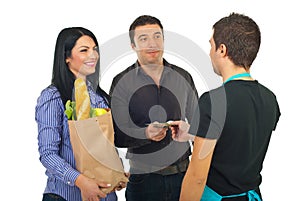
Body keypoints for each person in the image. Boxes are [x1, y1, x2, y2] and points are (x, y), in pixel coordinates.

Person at [170, 13, 281, 201]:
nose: (209, 52)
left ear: (222, 50)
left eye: (211, 44)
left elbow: (197, 178)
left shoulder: (213, 101)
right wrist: (192, 132)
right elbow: (239, 139)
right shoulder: (270, 99)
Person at [109, 15, 199, 201]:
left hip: (183, 176)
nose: (152, 43)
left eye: (157, 36)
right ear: (132, 45)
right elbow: (115, 134)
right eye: (143, 38)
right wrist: (145, 134)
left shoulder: (183, 77)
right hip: (143, 180)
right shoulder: (121, 82)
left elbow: (200, 125)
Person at [35, 27, 124, 201]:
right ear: (67, 57)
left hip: (104, 196)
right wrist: (81, 181)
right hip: (65, 196)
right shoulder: (53, 97)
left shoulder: (100, 97)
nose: (93, 55)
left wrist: (115, 174)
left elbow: (106, 146)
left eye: (95, 50)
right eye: (84, 50)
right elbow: (48, 154)